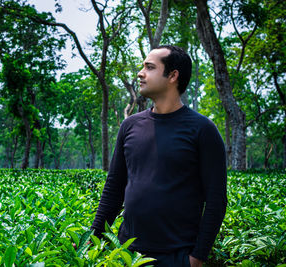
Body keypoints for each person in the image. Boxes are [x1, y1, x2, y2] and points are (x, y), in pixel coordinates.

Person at [91, 45, 227, 267]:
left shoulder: (203, 130)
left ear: (173, 76)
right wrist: (92, 238)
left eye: (150, 67)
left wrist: (197, 258)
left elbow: (216, 200)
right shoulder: (130, 126)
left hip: (177, 257)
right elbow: (114, 188)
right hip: (128, 254)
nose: (140, 73)